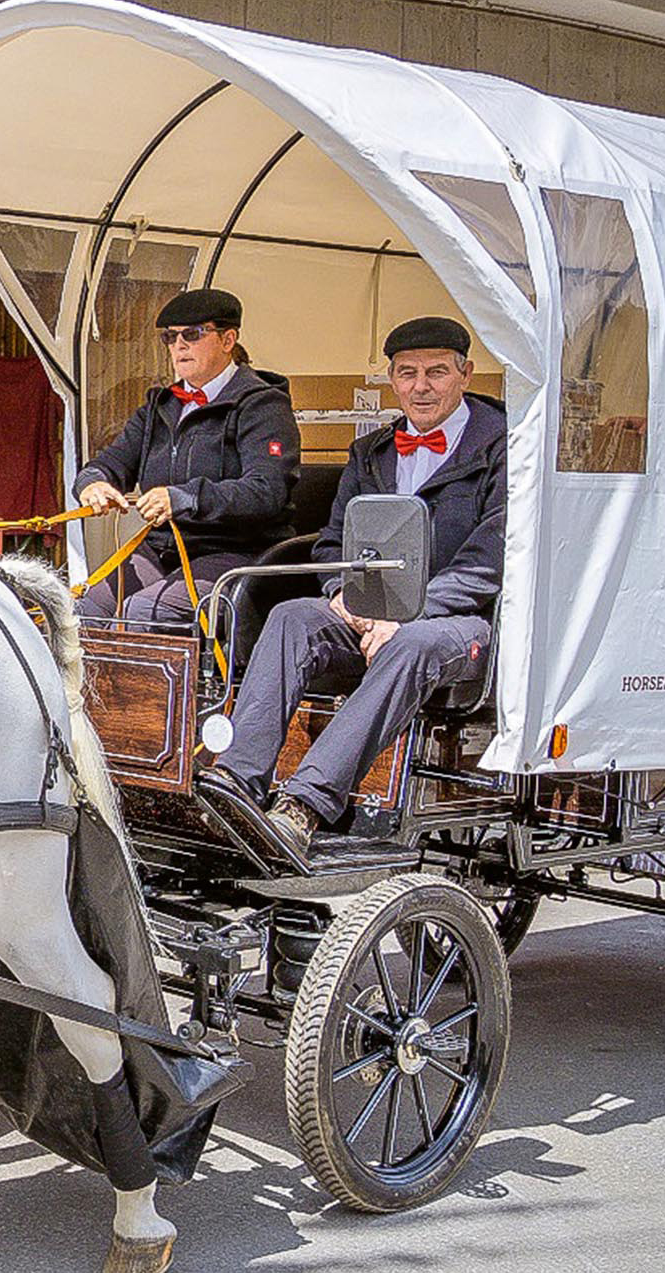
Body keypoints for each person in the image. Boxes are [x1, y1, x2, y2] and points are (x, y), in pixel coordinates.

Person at [196, 316, 504, 869]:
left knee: (413, 645)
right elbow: (333, 541)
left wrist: (411, 614)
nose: (421, 386)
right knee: (293, 615)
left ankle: (305, 804)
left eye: (436, 372)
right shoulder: (372, 453)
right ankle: (237, 783)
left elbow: (491, 562)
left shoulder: (503, 449)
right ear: (392, 379)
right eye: (407, 374)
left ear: (465, 374)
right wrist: (342, 592)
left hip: (466, 621)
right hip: (372, 610)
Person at [74, 287, 300, 627]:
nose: (179, 345)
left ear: (228, 340)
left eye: (192, 335)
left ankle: (162, 683)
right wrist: (94, 483)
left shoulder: (262, 405)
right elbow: (112, 461)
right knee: (84, 609)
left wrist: (185, 498)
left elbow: (266, 491)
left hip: (235, 552)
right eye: (170, 337)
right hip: (163, 549)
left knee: (146, 611)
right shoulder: (159, 406)